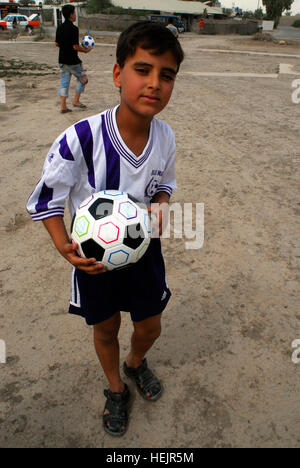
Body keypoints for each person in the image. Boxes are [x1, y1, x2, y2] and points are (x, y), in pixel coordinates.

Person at [27, 21, 184, 437]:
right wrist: (65, 247)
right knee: (107, 327)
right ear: (118, 74)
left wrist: (162, 204)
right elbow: (47, 200)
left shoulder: (165, 137)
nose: (154, 84)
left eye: (166, 76)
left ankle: (135, 364)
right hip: (94, 260)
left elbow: (164, 183)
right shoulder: (79, 138)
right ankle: (115, 387)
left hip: (144, 251)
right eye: (143, 69)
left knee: (150, 326)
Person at [55, 4, 92, 114]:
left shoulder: (60, 27)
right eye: (74, 13)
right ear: (71, 15)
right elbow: (75, 46)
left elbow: (57, 43)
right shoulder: (74, 29)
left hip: (62, 61)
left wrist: (64, 46)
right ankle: (76, 101)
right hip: (74, 62)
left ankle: (63, 107)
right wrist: (85, 50)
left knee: (64, 83)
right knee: (84, 78)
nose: (75, 15)